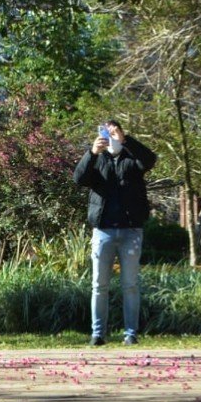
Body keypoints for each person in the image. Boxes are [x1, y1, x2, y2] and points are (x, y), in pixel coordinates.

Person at [74, 117, 156, 346]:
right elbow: (79, 178)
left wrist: (127, 140)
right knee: (99, 286)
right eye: (106, 133)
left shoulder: (132, 160)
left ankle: (131, 334)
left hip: (131, 231)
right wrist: (91, 152)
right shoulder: (98, 160)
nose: (110, 137)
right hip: (103, 231)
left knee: (130, 285)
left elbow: (149, 160)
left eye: (114, 132)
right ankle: (98, 333)